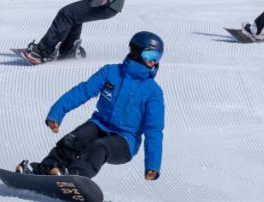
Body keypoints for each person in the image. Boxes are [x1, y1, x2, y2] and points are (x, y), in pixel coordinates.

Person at [17, 30, 166, 180]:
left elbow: (154, 130)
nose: (154, 61)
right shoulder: (110, 72)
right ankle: (43, 171)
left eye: (158, 57)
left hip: (126, 140)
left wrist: (152, 166)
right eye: (150, 55)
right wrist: (57, 112)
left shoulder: (153, 92)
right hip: (99, 125)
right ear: (135, 51)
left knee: (99, 147)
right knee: (74, 139)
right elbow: (83, 91)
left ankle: (75, 177)